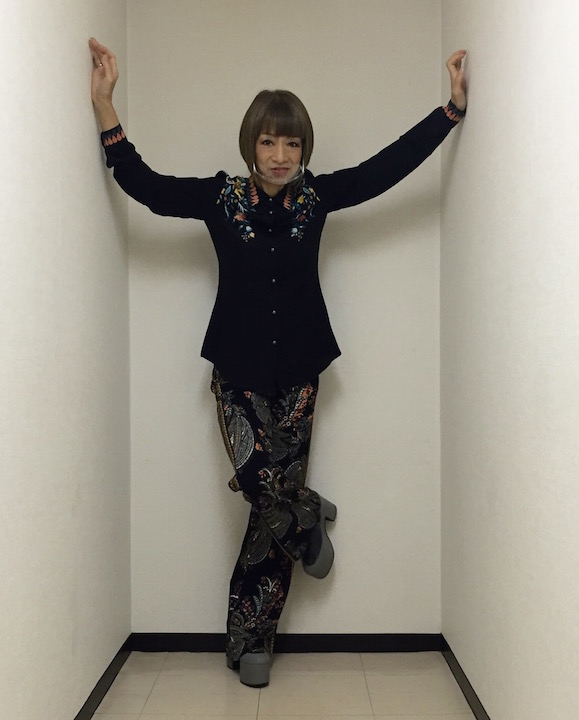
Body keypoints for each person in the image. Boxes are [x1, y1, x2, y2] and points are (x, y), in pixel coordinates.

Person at [89, 37, 467, 688]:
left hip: (300, 370)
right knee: (263, 485)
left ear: (303, 149)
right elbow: (144, 187)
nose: (280, 155)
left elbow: (384, 169)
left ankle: (251, 640)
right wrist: (105, 105)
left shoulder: (316, 199)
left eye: (292, 143)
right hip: (234, 371)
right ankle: (307, 511)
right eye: (269, 142)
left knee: (265, 512)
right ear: (251, 145)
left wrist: (450, 112)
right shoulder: (221, 199)